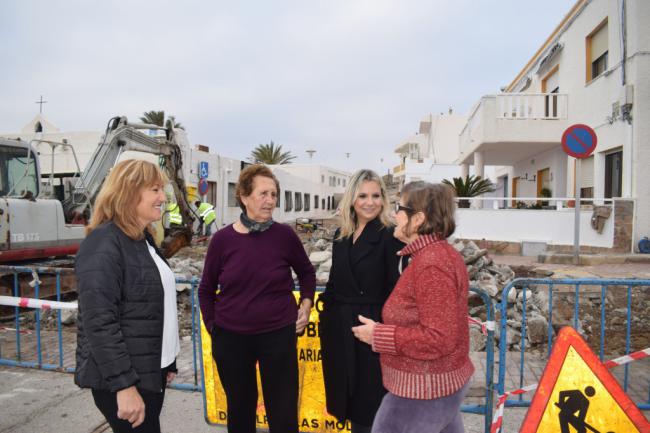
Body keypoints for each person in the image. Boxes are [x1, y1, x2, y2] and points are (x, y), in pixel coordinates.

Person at [198, 164, 315, 433]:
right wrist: (214, 328)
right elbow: (205, 289)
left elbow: (307, 273)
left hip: (278, 335)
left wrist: (306, 305)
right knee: (240, 411)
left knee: (283, 412)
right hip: (232, 339)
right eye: (263, 194)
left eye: (273, 194)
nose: (270, 201)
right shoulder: (222, 240)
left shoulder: (285, 235)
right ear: (244, 196)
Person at [352, 181, 474, 433]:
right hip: (436, 385)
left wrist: (379, 335)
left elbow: (439, 338)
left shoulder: (432, 264)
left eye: (399, 207)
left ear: (417, 219)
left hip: (422, 389)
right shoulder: (435, 256)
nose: (394, 214)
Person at [75, 159, 180, 433]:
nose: (162, 197)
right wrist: (123, 385)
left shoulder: (142, 239)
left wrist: (168, 361)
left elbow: (152, 307)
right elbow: (99, 322)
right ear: (130, 192)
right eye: (155, 189)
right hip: (124, 380)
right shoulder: (104, 243)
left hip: (149, 371)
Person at [319, 169, 404, 433]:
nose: (370, 202)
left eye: (376, 195)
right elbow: (334, 282)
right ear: (352, 199)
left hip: (372, 330)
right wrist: (326, 314)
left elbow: (396, 289)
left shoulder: (391, 235)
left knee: (370, 407)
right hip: (341, 328)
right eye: (363, 195)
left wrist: (383, 330)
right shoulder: (341, 235)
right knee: (348, 399)